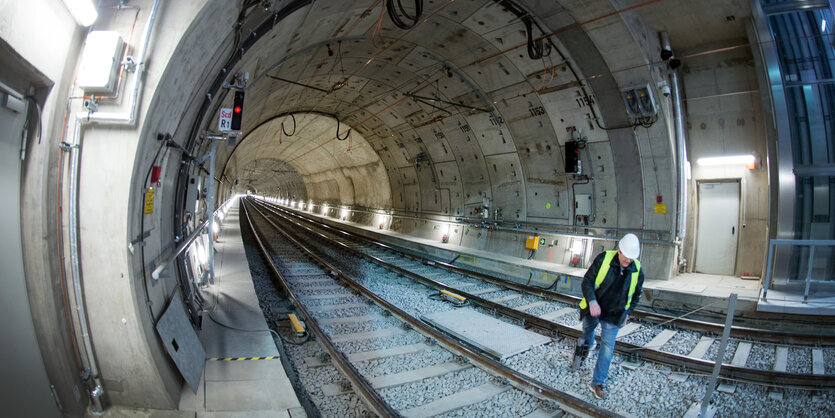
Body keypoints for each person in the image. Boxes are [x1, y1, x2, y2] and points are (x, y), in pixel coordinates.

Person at [577, 233, 644, 400]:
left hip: (614, 315)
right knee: (587, 331)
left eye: (632, 258)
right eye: (626, 257)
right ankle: (589, 345)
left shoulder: (637, 270)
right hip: (595, 308)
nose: (629, 261)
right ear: (619, 251)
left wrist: (628, 312)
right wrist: (592, 301)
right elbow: (587, 281)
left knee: (607, 348)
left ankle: (597, 382)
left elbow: (636, 296)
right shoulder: (603, 259)